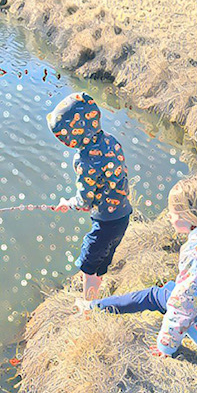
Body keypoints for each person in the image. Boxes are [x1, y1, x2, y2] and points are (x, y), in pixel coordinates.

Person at [82, 176, 197, 357]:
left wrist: (166, 345)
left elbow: (184, 304)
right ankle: (96, 306)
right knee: (179, 287)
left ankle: (94, 306)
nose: (169, 217)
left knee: (155, 295)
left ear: (189, 216)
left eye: (172, 213)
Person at [47, 92, 133, 302]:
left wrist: (68, 204)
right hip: (123, 215)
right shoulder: (110, 140)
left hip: (105, 223)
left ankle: (89, 306)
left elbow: (84, 200)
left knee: (87, 266)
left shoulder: (85, 161)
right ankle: (96, 297)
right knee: (101, 262)